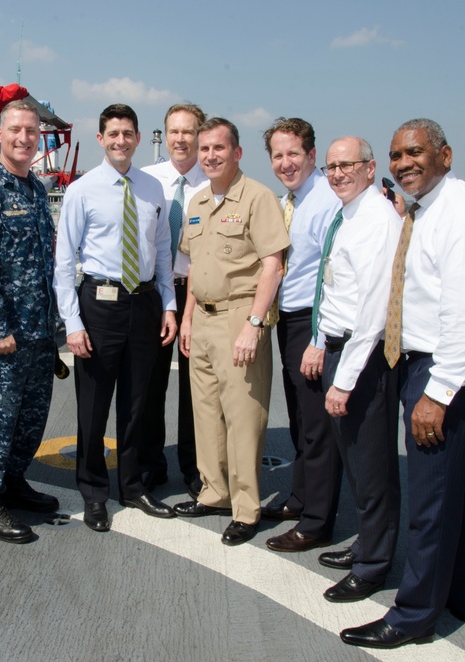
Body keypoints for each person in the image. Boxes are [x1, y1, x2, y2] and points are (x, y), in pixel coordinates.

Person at [340, 119, 465, 649]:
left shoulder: (462, 214)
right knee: (458, 485)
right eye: (396, 155)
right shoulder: (425, 210)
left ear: (445, 153)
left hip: (449, 367)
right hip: (438, 362)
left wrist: (436, 394)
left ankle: (413, 616)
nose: (403, 163)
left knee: (431, 497)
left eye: (414, 152)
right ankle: (462, 595)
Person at [54, 103, 178, 532]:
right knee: (93, 405)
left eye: (128, 133)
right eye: (113, 134)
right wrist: (72, 322)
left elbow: (162, 252)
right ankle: (93, 491)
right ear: (101, 139)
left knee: (136, 404)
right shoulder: (82, 190)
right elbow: (64, 260)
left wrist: (168, 305)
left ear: (139, 139)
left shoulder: (151, 189)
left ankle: (131, 485)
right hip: (99, 303)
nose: (121, 140)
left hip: (143, 303)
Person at [173, 118, 289, 546]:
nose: (209, 156)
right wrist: (187, 318)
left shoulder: (258, 198)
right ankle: (215, 491)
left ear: (237, 153)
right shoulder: (198, 201)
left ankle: (246, 507)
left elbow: (272, 266)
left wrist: (254, 324)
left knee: (243, 418)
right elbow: (191, 268)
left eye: (219, 148)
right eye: (204, 149)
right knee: (205, 413)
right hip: (200, 318)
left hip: (239, 317)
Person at [0, 99, 60, 544]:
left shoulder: (36, 190)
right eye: (15, 130)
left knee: (30, 416)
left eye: (31, 131)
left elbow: (46, 261)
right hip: (4, 335)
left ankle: (14, 480)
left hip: (38, 331)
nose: (23, 138)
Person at [313, 137, 402, 603]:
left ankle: (374, 566)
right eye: (331, 166)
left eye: (347, 165)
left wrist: (343, 381)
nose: (337, 173)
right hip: (337, 348)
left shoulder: (377, 221)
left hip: (360, 359)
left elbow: (373, 310)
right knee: (355, 460)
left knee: (371, 466)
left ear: (370, 169)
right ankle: (368, 543)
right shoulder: (350, 215)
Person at [260, 118, 344, 554]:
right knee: (299, 419)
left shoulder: (327, 201)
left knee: (316, 428)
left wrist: (319, 338)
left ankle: (317, 522)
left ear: (312, 155)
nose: (286, 162)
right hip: (289, 320)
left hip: (313, 321)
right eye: (277, 155)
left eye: (294, 153)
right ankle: (300, 498)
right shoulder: (289, 200)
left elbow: (334, 275)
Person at [140, 103, 209, 498]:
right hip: (156, 290)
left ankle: (195, 467)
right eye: (174, 131)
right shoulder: (148, 180)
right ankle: (151, 464)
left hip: (196, 292)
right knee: (150, 384)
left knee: (195, 386)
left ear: (200, 135)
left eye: (189, 131)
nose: (181, 139)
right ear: (165, 135)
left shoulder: (215, 182)